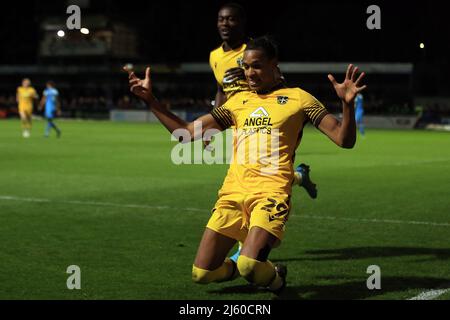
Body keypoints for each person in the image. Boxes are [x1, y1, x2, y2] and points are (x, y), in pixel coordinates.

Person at [125, 36, 366, 295]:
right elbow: (185, 133)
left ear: (274, 64)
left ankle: (276, 280)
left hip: (271, 193)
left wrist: (347, 104)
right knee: (202, 274)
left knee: (249, 265)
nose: (250, 73)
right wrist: (150, 100)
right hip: (233, 194)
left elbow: (344, 139)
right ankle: (259, 271)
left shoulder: (299, 99)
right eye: (246, 66)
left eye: (257, 66)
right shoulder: (238, 102)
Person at [210, 3, 316, 262]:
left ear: (242, 23)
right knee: (248, 177)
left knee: (265, 176)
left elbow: (278, 85)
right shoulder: (215, 56)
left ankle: (244, 254)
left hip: (263, 121)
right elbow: (221, 90)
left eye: (232, 19)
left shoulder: (253, 51)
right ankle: (300, 175)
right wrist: (213, 123)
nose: (226, 24)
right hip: (237, 118)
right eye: (222, 19)